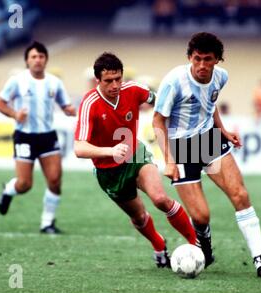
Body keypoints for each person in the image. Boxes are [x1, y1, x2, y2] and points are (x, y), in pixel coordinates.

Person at [152, 32, 261, 279]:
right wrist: (168, 159)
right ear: (190, 57)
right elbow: (158, 120)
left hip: (209, 140)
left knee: (240, 195)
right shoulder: (174, 81)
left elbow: (210, 104)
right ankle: (205, 250)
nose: (201, 65)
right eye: (197, 58)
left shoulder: (221, 77)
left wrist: (223, 130)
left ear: (217, 60)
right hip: (181, 148)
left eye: (207, 59)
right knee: (201, 215)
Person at [74, 52, 197, 268]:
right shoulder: (90, 103)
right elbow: (79, 148)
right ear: (97, 81)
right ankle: (159, 246)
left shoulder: (133, 90)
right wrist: (109, 151)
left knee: (160, 199)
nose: (114, 85)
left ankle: (196, 244)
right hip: (108, 172)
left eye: (118, 79)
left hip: (136, 155)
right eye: (108, 81)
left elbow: (161, 103)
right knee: (139, 217)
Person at [0, 41, 76, 233]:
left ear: (46, 60)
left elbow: (65, 105)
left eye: (41, 56)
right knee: (24, 184)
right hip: (25, 136)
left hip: (48, 136)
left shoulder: (55, 83)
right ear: (27, 61)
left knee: (55, 180)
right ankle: (8, 190)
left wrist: (69, 110)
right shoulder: (17, 81)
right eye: (33, 57)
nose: (37, 60)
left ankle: (47, 223)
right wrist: (15, 114)